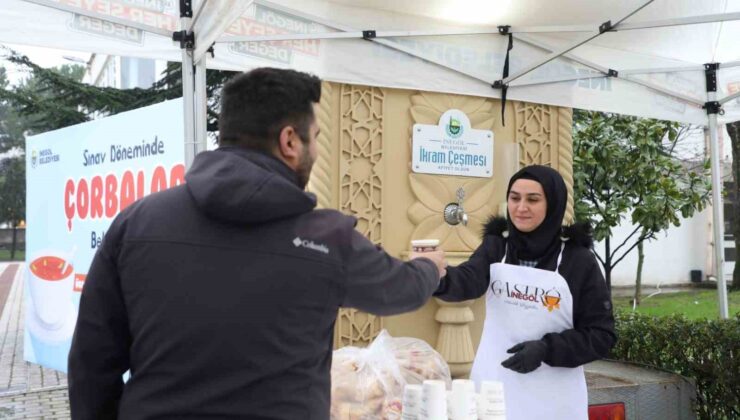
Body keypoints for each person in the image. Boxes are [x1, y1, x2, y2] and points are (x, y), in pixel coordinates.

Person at [68, 67, 447, 419]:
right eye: (314, 139)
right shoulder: (328, 239)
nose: (315, 151)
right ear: (289, 141)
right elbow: (401, 290)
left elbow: (92, 362)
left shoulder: (137, 222)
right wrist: (430, 267)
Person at [434, 165, 616, 420]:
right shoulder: (497, 247)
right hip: (494, 390)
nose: (521, 207)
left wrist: (547, 349)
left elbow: (601, 335)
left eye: (533, 199)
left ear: (553, 204)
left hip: (554, 399)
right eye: (514, 198)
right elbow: (468, 281)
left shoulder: (577, 260)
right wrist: (437, 276)